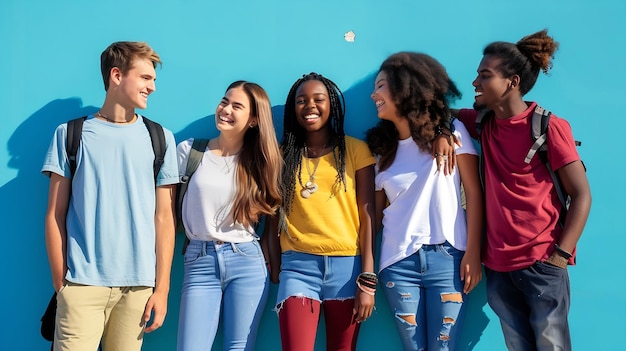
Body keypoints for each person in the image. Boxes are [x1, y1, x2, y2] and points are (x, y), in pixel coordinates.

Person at [454, 30, 592, 351]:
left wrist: (559, 256)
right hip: (498, 268)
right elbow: (442, 116)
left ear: (512, 83)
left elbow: (582, 194)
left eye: (485, 76)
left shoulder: (548, 126)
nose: (475, 83)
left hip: (542, 263)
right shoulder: (483, 122)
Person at [42, 41, 178, 351]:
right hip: (81, 284)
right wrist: (61, 283)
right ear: (117, 75)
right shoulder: (70, 134)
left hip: (138, 289)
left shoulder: (161, 139)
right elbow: (54, 214)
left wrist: (162, 289)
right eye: (145, 77)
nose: (152, 87)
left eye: (153, 79)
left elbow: (165, 218)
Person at [365, 52, 483, 351]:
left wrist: (473, 252)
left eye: (381, 86)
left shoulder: (453, 134)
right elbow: (374, 216)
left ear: (405, 88)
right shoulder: (381, 150)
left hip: (450, 259)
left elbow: (474, 194)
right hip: (397, 263)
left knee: (444, 347)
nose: (373, 94)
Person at [265, 72, 376, 351]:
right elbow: (271, 218)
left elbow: (368, 216)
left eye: (318, 99)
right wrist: (277, 268)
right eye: (301, 101)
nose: (309, 106)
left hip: (347, 268)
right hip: (298, 267)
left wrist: (368, 278)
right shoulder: (281, 155)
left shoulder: (356, 150)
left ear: (332, 105)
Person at [176, 81, 282, 351]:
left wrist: (270, 251)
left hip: (246, 260)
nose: (226, 109)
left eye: (237, 106)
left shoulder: (261, 162)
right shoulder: (190, 151)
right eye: (225, 101)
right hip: (199, 258)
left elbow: (273, 211)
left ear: (254, 119)